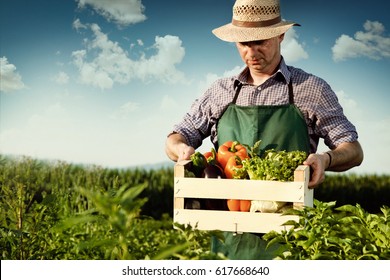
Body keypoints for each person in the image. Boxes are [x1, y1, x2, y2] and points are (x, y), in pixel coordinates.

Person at [165, 0, 364, 259]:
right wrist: (181, 148)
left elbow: (353, 149)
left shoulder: (311, 89)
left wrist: (325, 159)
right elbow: (176, 137)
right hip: (230, 238)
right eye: (244, 43)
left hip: (291, 236)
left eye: (260, 41)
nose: (251, 52)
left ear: (280, 34)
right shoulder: (220, 92)